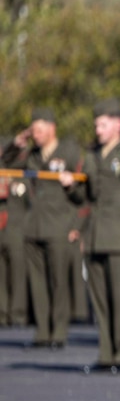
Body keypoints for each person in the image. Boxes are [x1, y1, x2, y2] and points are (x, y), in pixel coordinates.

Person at [73, 99, 120, 373]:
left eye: (103, 124)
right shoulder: (91, 157)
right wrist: (70, 185)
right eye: (96, 125)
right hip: (97, 236)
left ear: (117, 125)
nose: (98, 130)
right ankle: (106, 353)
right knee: (100, 301)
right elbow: (84, 197)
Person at [22, 108, 85, 349]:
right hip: (34, 226)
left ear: (52, 128)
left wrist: (77, 225)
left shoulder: (69, 151)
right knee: (37, 284)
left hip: (60, 225)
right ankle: (42, 331)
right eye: (33, 130)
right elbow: (5, 160)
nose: (35, 135)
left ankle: (58, 332)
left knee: (59, 282)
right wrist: (19, 141)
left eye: (39, 130)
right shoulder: (31, 154)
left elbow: (83, 194)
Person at [0, 136, 30, 328]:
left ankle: (18, 313)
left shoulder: (19, 169)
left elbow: (25, 197)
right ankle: (2, 313)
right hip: (2, 227)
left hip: (16, 226)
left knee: (18, 272)